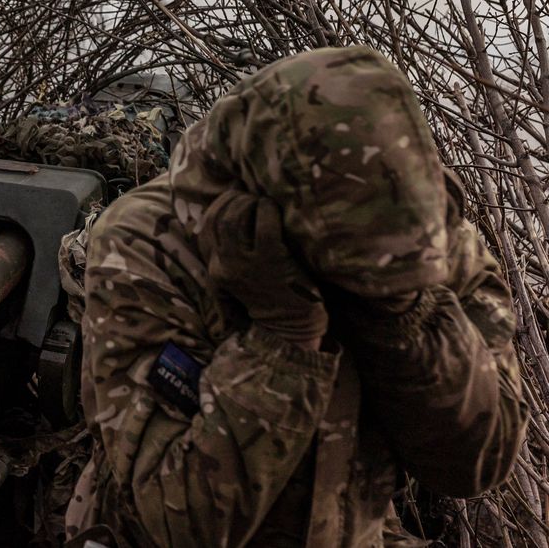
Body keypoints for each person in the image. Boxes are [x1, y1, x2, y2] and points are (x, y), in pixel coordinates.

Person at [65, 45, 526, 547]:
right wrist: (282, 343)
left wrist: (406, 317)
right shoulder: (146, 245)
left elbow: (478, 463)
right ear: (284, 221)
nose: (380, 281)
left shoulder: (423, 233)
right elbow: (176, 525)